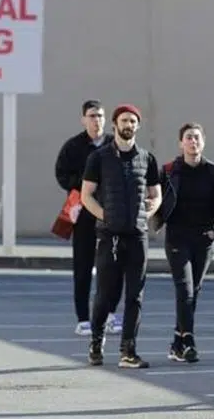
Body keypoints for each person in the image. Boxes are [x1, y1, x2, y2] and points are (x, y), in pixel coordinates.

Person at [81, 104, 161, 369]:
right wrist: (104, 216)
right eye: (124, 120)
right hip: (110, 236)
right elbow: (86, 195)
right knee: (105, 293)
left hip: (137, 236)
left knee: (135, 296)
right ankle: (96, 341)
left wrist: (149, 211)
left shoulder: (147, 158)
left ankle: (128, 350)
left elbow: (156, 194)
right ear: (115, 124)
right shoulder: (99, 157)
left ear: (138, 126)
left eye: (133, 121)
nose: (129, 125)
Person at [152, 122, 214, 363]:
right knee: (185, 289)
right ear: (181, 143)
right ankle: (189, 341)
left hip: (204, 240)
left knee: (194, 291)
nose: (193, 141)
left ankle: (177, 341)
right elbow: (155, 197)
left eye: (197, 137)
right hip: (177, 237)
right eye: (188, 137)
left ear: (203, 141)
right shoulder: (169, 171)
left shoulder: (213, 171)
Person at [54, 99, 122, 336]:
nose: (97, 120)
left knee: (113, 265)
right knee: (83, 265)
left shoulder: (115, 144)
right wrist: (85, 186)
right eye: (92, 116)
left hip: (111, 213)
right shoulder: (73, 147)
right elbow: (61, 174)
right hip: (83, 213)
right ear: (83, 119)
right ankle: (83, 318)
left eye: (100, 116)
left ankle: (110, 314)